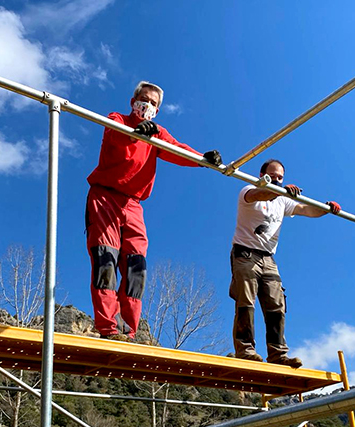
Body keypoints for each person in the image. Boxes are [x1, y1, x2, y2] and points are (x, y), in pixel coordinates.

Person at [86, 81, 221, 341]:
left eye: (153, 103)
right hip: (105, 197)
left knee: (136, 266)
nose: (147, 105)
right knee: (106, 260)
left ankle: (128, 331)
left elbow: (178, 149)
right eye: (144, 99)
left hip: (134, 205)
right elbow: (117, 135)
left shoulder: (158, 133)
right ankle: (107, 328)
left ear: (158, 110)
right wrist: (137, 131)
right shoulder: (118, 119)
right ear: (133, 100)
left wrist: (204, 160)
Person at [229, 159, 341, 367]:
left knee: (276, 304)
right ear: (262, 175)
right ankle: (245, 350)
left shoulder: (282, 200)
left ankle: (277, 354)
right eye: (273, 177)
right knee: (245, 300)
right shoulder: (249, 190)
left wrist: (325, 208)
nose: (277, 181)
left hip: (268, 257)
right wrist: (278, 190)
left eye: (280, 178)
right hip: (245, 253)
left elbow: (305, 209)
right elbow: (260, 194)